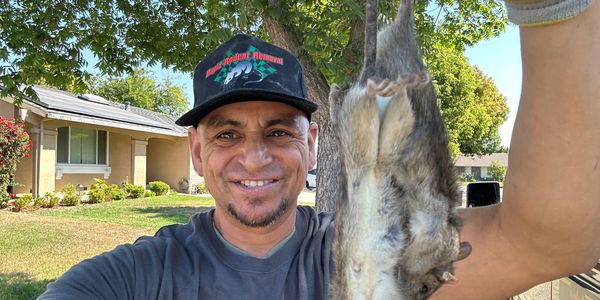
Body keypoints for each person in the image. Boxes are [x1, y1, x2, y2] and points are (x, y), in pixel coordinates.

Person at [39, 1, 600, 299]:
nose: (253, 158)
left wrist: (550, 9)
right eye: (227, 134)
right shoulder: (133, 278)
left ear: (312, 142)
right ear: (195, 150)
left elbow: (550, 242)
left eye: (279, 132)